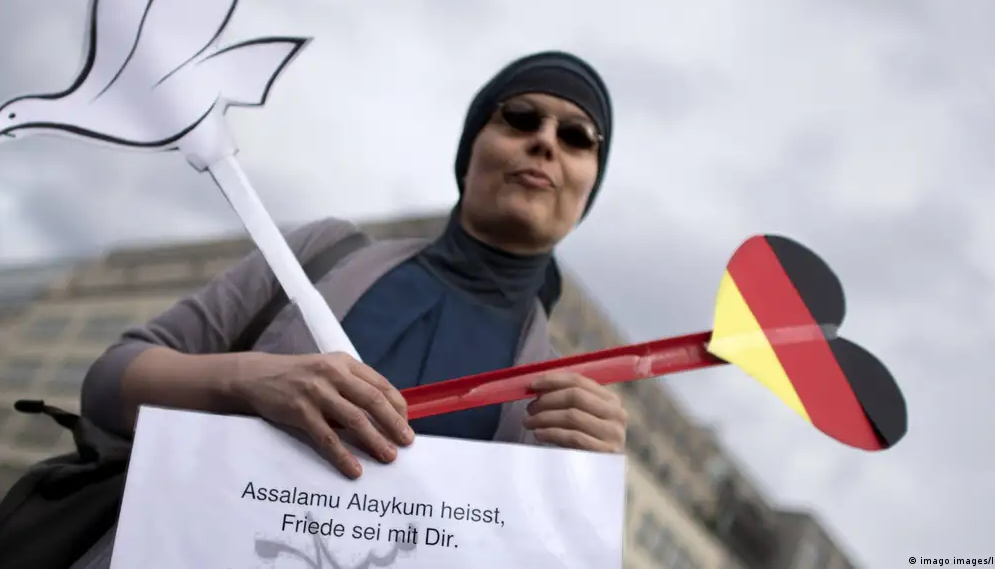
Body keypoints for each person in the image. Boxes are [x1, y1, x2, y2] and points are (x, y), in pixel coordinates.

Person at [69, 50, 628, 568]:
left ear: (590, 186)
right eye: (520, 117)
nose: (545, 141)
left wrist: (583, 487)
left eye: (577, 136)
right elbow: (107, 383)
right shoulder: (321, 254)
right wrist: (246, 380)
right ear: (471, 149)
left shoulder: (555, 403)